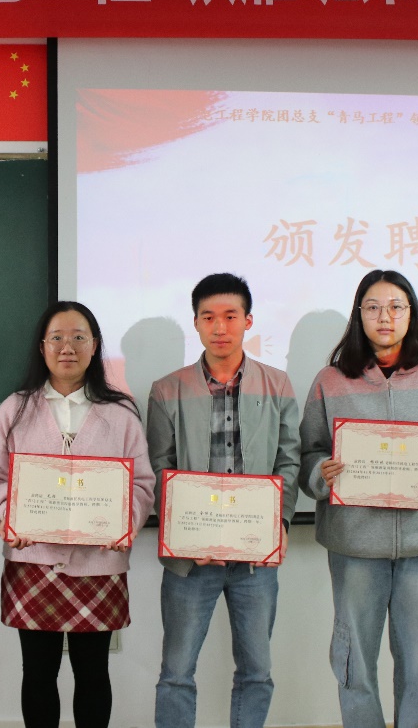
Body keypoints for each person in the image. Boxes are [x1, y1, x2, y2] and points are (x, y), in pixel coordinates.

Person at [299, 269, 418, 728]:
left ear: (411, 313)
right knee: (354, 661)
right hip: (354, 545)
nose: (385, 317)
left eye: (396, 307)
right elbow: (308, 453)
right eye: (374, 307)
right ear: (359, 314)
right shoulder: (330, 381)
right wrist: (320, 473)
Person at [0, 301, 155, 728]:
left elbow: (142, 484)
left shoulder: (121, 414)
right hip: (32, 560)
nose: (67, 347)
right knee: (38, 672)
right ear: (42, 347)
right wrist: (8, 517)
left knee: (93, 672)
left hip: (100, 564)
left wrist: (125, 522)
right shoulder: (14, 409)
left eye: (79, 337)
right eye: (57, 338)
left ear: (94, 346)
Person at [147, 272, 301, 728]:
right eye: (208, 317)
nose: (220, 327)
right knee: (176, 672)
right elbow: (160, 467)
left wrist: (280, 524)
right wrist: (185, 535)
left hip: (255, 559)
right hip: (190, 561)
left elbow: (288, 460)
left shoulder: (277, 384)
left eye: (230, 316)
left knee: (257, 671)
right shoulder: (167, 389)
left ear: (248, 321)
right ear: (195, 322)